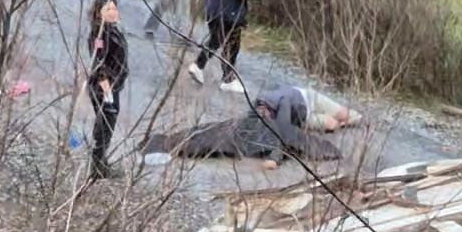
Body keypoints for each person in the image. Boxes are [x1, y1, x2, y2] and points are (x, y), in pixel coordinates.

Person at [142, 84, 361, 166]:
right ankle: (338, 121)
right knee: (332, 125)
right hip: (302, 117)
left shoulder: (282, 105)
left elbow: (285, 134)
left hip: (307, 99)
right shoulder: (258, 108)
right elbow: (236, 129)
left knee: (347, 116)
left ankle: (355, 118)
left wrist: (274, 158)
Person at [87, 0, 128, 180]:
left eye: (114, 8)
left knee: (108, 127)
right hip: (104, 88)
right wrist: (107, 90)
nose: (113, 12)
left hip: (114, 86)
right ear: (99, 12)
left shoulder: (112, 30)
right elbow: (98, 63)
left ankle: (101, 163)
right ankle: (97, 168)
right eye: (108, 9)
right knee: (104, 126)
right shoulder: (99, 34)